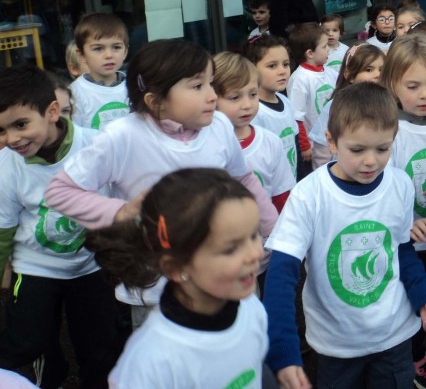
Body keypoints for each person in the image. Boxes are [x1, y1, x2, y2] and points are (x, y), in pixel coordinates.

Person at [44, 39, 277, 322]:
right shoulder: (123, 136)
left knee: (243, 341)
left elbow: (243, 179)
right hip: (158, 290)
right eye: (197, 86)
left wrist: (275, 233)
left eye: (211, 83)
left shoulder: (219, 126)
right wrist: (122, 212)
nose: (212, 96)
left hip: (225, 273)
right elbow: (60, 191)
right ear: (155, 101)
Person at [263, 82, 426, 389]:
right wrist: (283, 350)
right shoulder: (309, 194)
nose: (371, 161)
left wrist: (424, 296)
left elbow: (402, 251)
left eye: (383, 149)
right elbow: (282, 274)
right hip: (337, 343)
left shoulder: (400, 184)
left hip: (394, 335)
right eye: (358, 150)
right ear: (331, 141)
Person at [87, 169, 269, 388]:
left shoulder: (251, 308)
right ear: (175, 267)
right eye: (231, 249)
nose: (256, 253)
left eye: (254, 235)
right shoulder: (151, 363)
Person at [0, 67, 122, 389]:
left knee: (99, 346)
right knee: (28, 340)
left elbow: (121, 196)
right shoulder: (6, 166)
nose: (12, 139)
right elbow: (2, 231)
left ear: (53, 111)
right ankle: (46, 376)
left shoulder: (96, 145)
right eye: (1, 130)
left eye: (20, 124)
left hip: (91, 265)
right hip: (36, 266)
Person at [382, 35, 426, 387]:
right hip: (410, 240)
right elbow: (383, 187)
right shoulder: (389, 131)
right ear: (392, 84)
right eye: (412, 86)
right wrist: (404, 226)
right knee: (411, 301)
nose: (425, 95)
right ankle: (415, 354)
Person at [213, 52, 295, 215]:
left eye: (253, 94)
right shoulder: (205, 146)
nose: (247, 105)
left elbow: (282, 195)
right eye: (234, 97)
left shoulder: (270, 142)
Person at [308, 43, 385, 168]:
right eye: (369, 70)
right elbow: (322, 147)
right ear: (349, 75)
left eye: (381, 69)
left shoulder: (386, 104)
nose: (377, 74)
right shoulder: (336, 106)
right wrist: (325, 175)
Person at [248, 35, 299, 179]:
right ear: (252, 68)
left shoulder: (286, 101)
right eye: (272, 66)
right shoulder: (254, 111)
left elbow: (295, 145)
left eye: (286, 64)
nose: (282, 71)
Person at [288, 22, 334, 180]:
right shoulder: (299, 79)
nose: (329, 49)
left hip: (332, 140)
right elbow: (296, 117)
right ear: (310, 53)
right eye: (324, 46)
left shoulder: (330, 72)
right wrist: (304, 146)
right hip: (314, 147)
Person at [70, 12, 129, 130]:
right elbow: (75, 134)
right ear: (81, 55)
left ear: (125, 52)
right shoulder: (75, 93)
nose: (109, 55)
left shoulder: (134, 86)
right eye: (98, 49)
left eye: (116, 47)